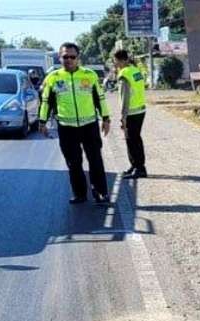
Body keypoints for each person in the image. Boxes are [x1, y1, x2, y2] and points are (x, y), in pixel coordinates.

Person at [39, 42, 111, 204]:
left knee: (95, 160)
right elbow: (46, 102)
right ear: (60, 57)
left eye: (72, 57)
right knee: (73, 163)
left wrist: (106, 119)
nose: (69, 60)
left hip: (89, 126)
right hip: (66, 128)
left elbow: (100, 99)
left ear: (78, 58)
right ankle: (80, 194)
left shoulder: (89, 75)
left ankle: (100, 193)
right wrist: (42, 121)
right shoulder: (53, 78)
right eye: (65, 57)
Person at [113, 49, 147, 179]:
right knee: (135, 139)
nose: (115, 63)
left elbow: (124, 97)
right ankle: (134, 166)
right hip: (140, 109)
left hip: (131, 112)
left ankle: (139, 168)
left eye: (115, 61)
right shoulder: (135, 70)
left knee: (132, 140)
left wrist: (123, 117)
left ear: (120, 60)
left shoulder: (124, 74)